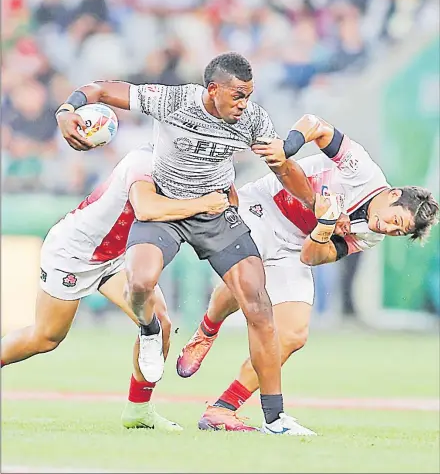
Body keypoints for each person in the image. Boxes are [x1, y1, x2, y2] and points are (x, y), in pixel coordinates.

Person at [55, 52, 319, 435]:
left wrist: (316, 204)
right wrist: (68, 108)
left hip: (214, 211)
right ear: (212, 90)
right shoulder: (175, 101)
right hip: (166, 207)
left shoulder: (253, 119)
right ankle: (149, 330)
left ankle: (276, 418)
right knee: (141, 283)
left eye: (249, 95)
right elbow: (102, 90)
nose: (244, 104)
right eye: (238, 96)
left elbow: (283, 169)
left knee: (259, 306)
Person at [177, 113, 440, 433]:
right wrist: (288, 148)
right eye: (395, 221)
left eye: (398, 233)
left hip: (296, 246)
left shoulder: (371, 235)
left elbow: (312, 257)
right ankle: (207, 331)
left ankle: (223, 409)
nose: (388, 229)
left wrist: (325, 228)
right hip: (263, 209)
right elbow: (315, 124)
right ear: (394, 195)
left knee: (293, 335)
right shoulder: (364, 171)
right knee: (249, 281)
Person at [1, 146, 230, 432]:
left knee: (161, 323)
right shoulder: (144, 160)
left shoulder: (182, 170)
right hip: (74, 253)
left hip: (116, 257)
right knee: (45, 337)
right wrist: (204, 203)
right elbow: (147, 208)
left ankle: (138, 411)